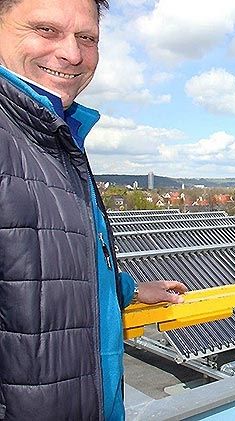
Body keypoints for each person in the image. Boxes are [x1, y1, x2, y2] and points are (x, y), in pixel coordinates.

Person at [0, 0, 187, 419]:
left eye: (87, 38)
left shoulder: (51, 134)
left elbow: (39, 262)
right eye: (46, 30)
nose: (72, 53)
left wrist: (127, 289)